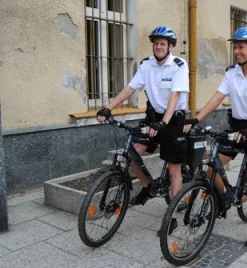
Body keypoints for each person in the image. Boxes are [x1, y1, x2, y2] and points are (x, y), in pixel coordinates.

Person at [184, 26, 247, 247]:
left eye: (241, 47)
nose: (237, 51)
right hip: (237, 127)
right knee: (210, 167)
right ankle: (224, 197)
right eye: (235, 47)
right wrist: (196, 119)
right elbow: (217, 98)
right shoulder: (231, 72)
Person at [97, 26, 189, 233]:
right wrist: (108, 108)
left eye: (162, 43)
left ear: (170, 46)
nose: (158, 46)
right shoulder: (147, 65)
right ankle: (148, 185)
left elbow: (175, 96)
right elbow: (131, 88)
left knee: (174, 169)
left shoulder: (178, 65)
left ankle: (172, 216)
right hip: (153, 118)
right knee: (130, 153)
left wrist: (164, 123)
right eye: (156, 43)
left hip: (173, 120)